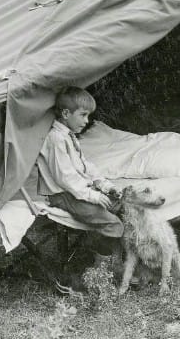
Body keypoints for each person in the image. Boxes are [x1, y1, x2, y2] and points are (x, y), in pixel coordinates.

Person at [36, 86, 122, 249]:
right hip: (62, 195)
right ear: (66, 114)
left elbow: (84, 166)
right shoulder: (56, 139)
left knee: (116, 203)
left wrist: (104, 185)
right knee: (114, 224)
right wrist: (92, 196)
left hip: (74, 191)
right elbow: (65, 178)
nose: (86, 121)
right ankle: (101, 260)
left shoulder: (69, 136)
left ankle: (93, 241)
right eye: (83, 115)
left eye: (88, 116)